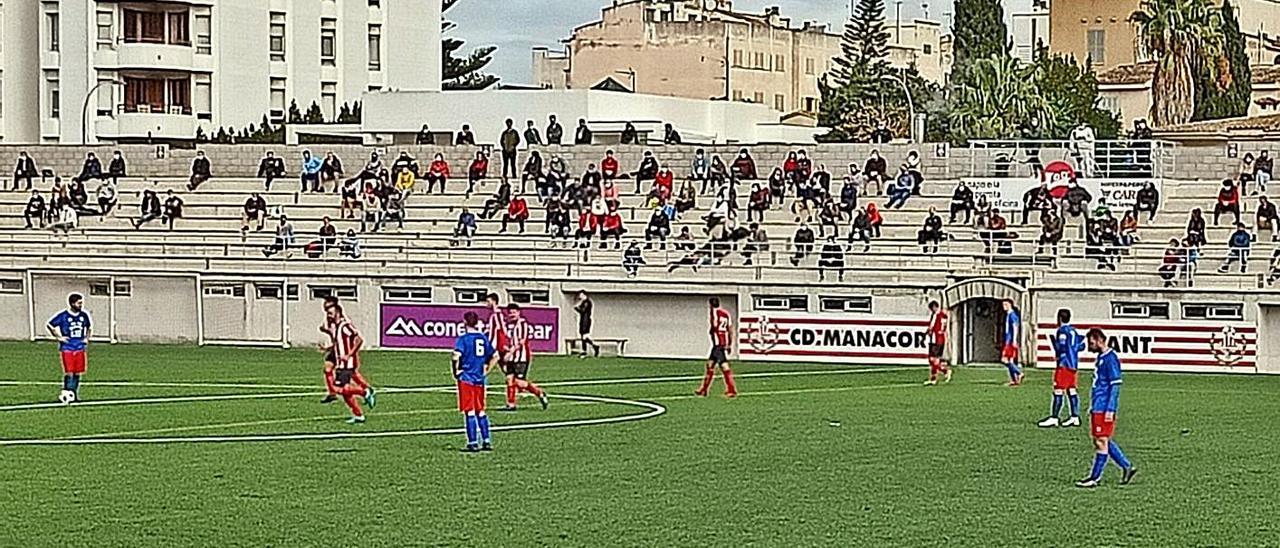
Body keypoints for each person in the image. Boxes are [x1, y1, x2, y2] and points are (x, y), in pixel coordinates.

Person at [1076, 328, 1138, 488]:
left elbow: (1115, 385)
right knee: (1102, 439)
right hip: (1098, 406)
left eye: (1091, 343)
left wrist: (1110, 408)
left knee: (1101, 441)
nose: (1089, 347)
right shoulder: (1101, 357)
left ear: (1098, 340)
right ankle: (1127, 466)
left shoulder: (1111, 359)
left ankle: (1094, 478)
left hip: (1104, 407)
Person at [451, 310, 498, 452]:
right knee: (481, 411)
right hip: (480, 379)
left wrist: (456, 371)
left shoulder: (463, 339)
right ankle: (486, 440)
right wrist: (486, 370)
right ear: (477, 323)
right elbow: (495, 356)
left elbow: (455, 356)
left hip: (467, 379)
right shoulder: (483, 338)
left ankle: (472, 443)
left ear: (464, 322)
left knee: (469, 411)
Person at [325, 302, 375, 424]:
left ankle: (365, 392)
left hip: (347, 363)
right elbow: (339, 344)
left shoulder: (345, 325)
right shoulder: (335, 327)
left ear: (337, 312)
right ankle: (358, 415)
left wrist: (349, 355)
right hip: (340, 363)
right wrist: (328, 349)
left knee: (339, 388)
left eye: (331, 313)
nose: (329, 315)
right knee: (345, 393)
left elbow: (359, 339)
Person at [1039, 309, 1084, 428]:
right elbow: (1080, 346)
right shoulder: (1074, 331)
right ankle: (1075, 417)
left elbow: (1061, 348)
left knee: (1058, 390)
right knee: (1071, 390)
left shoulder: (1062, 331)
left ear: (1059, 318)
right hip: (1074, 364)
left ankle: (1054, 417)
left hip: (1064, 364)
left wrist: (1054, 343)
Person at [500, 303, 550, 412]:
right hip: (513, 357)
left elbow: (522, 342)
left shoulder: (523, 324)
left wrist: (511, 352)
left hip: (521, 357)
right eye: (510, 313)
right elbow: (513, 341)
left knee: (519, 382)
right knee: (509, 379)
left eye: (514, 312)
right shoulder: (511, 325)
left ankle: (539, 392)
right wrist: (507, 348)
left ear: (519, 313)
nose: (512, 315)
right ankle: (511, 404)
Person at [47, 293, 92, 404]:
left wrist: (86, 338)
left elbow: (89, 327)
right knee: (69, 372)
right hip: (67, 347)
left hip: (80, 347)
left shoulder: (84, 315)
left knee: (77, 373)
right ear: (72, 303)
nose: (81, 305)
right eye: (79, 303)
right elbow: (50, 324)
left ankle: (74, 394)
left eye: (81, 303)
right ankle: (67, 393)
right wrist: (59, 337)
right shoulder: (63, 316)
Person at [696, 298, 738, 398]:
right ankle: (704, 390)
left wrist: (712, 332)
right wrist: (729, 344)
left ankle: (732, 390)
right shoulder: (726, 313)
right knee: (710, 365)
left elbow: (714, 326)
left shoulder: (714, 313)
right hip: (721, 344)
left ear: (710, 305)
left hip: (718, 345)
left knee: (724, 366)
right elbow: (730, 329)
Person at [924, 301, 950, 385]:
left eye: (931, 309)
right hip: (941, 339)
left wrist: (925, 335)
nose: (931, 311)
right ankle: (934, 378)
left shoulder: (936, 315)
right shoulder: (944, 315)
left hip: (935, 339)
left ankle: (944, 371)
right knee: (935, 360)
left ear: (934, 307)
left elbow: (931, 327)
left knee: (932, 359)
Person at [1000, 299, 1025, 386]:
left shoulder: (1012, 315)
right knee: (1010, 360)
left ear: (1009, 305)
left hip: (1010, 341)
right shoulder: (1008, 315)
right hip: (1008, 340)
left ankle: (1019, 373)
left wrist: (1014, 339)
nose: (1003, 306)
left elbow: (1015, 327)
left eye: (1005, 304)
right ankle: (1014, 380)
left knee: (1005, 360)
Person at [572, 291, 600, 358]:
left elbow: (583, 311)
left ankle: (594, 346)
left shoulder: (587, 302)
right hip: (583, 320)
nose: (580, 296)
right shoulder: (583, 302)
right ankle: (585, 351)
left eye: (581, 295)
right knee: (583, 337)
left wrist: (577, 308)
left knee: (585, 336)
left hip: (586, 321)